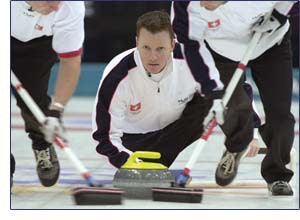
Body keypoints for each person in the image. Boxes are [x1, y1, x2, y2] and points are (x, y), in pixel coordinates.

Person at [92, 10, 252, 176]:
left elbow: (236, 84)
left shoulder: (193, 60)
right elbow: (103, 136)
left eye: (160, 48)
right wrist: (125, 161)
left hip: (179, 129)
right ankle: (150, 164)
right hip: (135, 141)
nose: (152, 57)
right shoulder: (118, 75)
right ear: (137, 42)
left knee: (215, 94)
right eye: (146, 47)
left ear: (173, 45)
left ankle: (234, 150)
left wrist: (249, 131)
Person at [172, 1, 297, 195]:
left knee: (280, 115)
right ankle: (237, 146)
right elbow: (190, 43)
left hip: (270, 41)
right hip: (221, 51)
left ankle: (277, 175)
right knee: (232, 107)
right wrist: (211, 90)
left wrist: (278, 17)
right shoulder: (185, 5)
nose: (202, 4)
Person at [11, 1, 85, 187]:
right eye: (49, 0)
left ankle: (42, 144)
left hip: (40, 45)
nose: (55, 7)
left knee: (34, 104)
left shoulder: (70, 6)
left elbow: (70, 61)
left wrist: (56, 111)